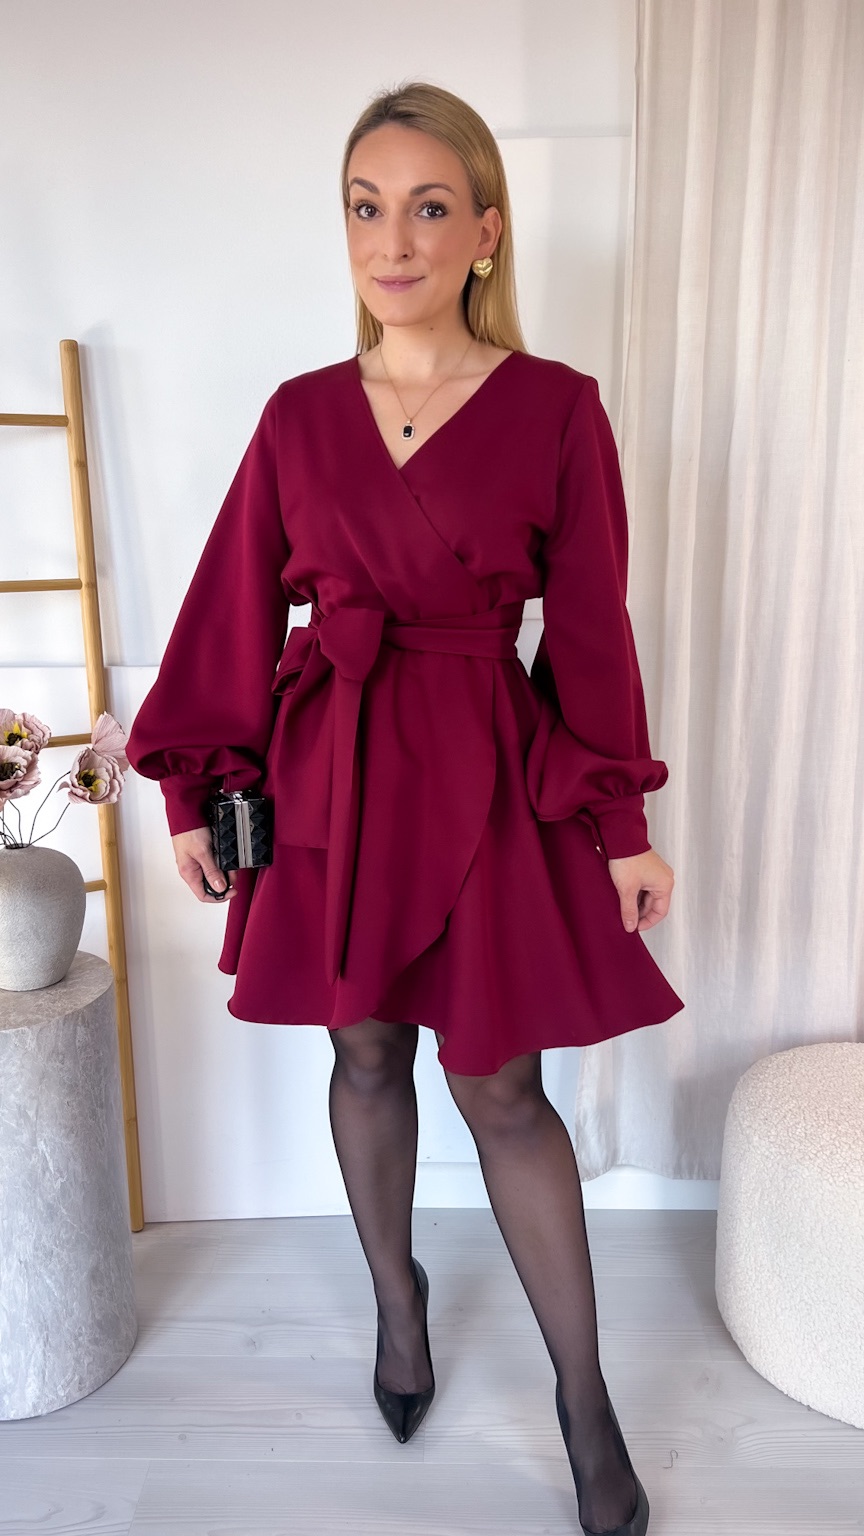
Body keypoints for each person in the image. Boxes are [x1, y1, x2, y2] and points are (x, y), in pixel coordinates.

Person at [126, 79, 684, 1536]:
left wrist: (621, 826)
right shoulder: (299, 415)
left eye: (431, 208)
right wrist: (195, 786)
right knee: (364, 1050)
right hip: (331, 771)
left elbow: (594, 632)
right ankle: (398, 1303)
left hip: (486, 769)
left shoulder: (558, 408)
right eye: (367, 208)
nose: (395, 240)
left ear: (486, 230)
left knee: (500, 1085)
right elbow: (232, 603)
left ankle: (585, 1402)